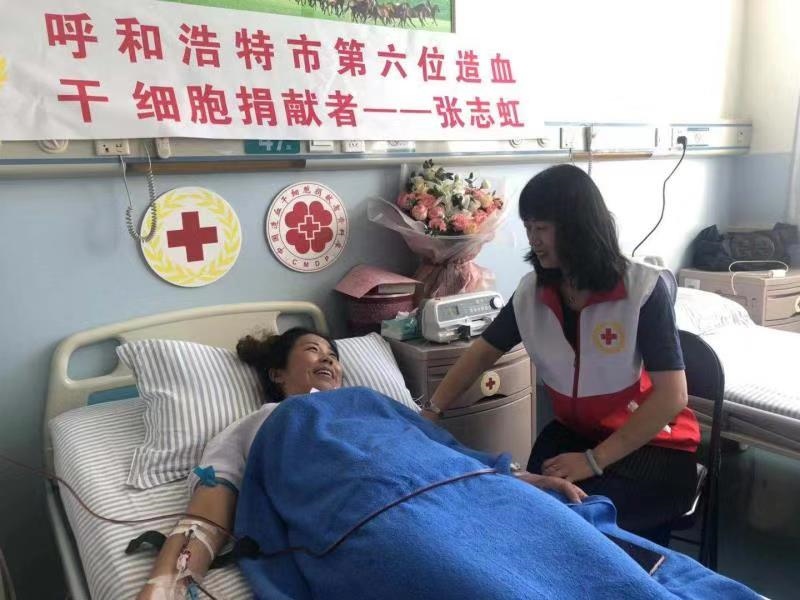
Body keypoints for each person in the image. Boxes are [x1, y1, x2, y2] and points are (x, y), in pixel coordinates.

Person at [137, 327, 584, 599]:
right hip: (380, 516)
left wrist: (522, 479)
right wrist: (163, 585)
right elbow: (204, 519)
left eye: (333, 356)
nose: (328, 359)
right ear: (277, 373)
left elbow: (446, 451)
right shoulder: (260, 422)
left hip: (470, 493)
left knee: (571, 545)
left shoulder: (373, 402)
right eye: (313, 350)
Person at [427, 164, 701, 544]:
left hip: (651, 442)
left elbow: (673, 396)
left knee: (584, 523)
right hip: (576, 434)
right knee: (529, 503)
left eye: (541, 228)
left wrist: (594, 460)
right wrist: (432, 410)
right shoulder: (532, 293)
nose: (533, 240)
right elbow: (481, 353)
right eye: (528, 227)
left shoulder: (641, 289)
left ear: (578, 226)